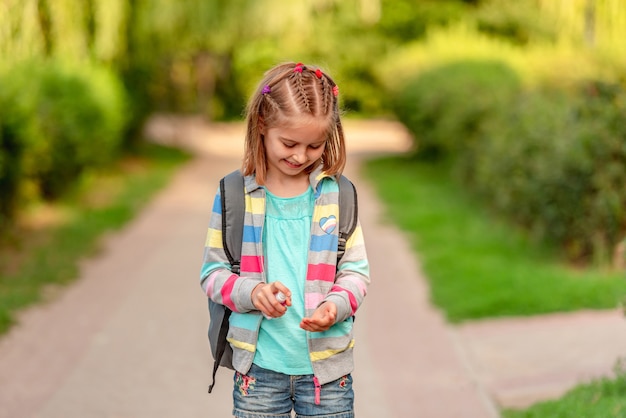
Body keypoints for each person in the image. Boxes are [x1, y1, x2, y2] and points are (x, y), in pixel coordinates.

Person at [200, 61, 370, 418]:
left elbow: (356, 272)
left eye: (314, 146)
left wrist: (335, 306)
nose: (300, 156)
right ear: (262, 124)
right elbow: (212, 274)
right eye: (289, 143)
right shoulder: (234, 195)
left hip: (328, 375)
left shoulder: (337, 196)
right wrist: (252, 292)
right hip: (259, 373)